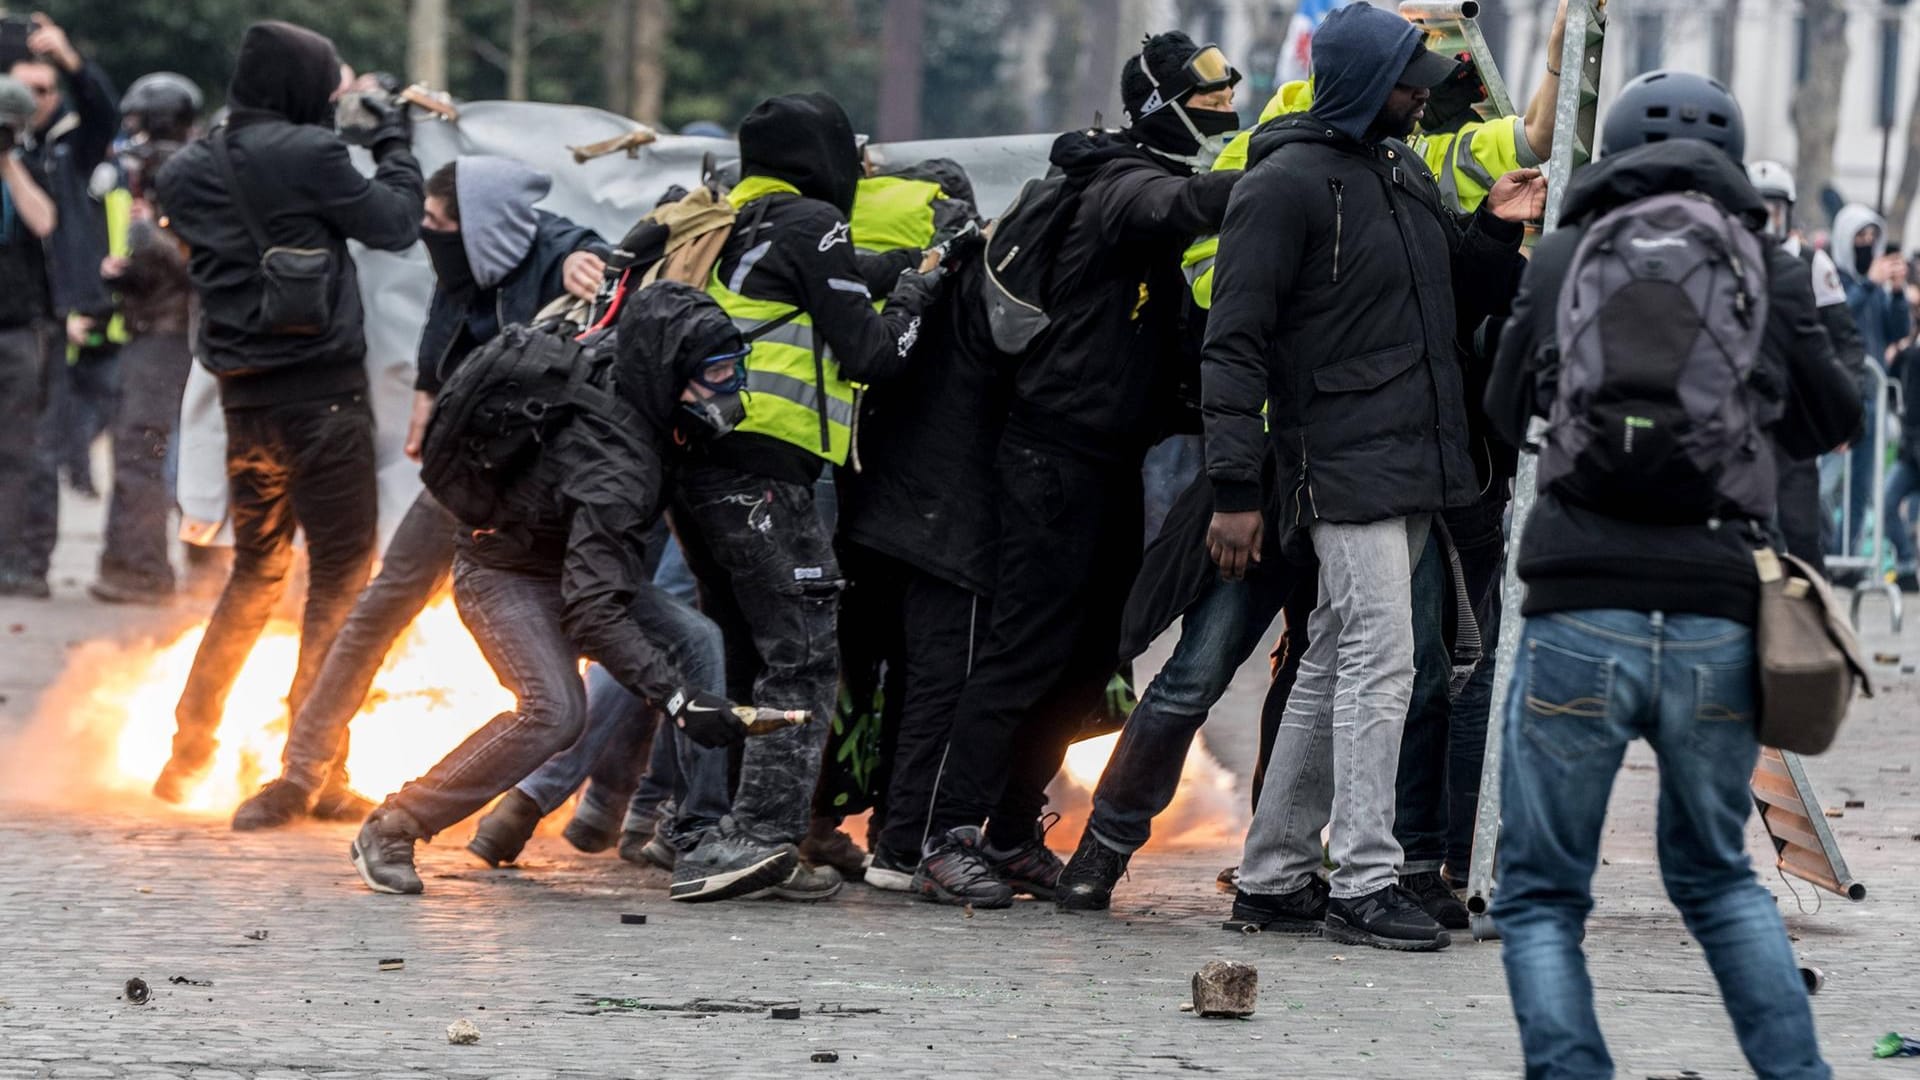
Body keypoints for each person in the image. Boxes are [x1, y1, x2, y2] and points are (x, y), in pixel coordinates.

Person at [1483, 70, 1857, 1079]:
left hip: (1576, 600)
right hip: (1714, 607)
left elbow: (1500, 401)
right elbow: (1835, 418)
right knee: (1718, 879)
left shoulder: (1564, 252)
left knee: (1542, 894)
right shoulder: (1766, 263)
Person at [1200, 2, 1538, 951]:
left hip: (1414, 463)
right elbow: (1231, 348)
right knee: (1381, 667)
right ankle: (1364, 881)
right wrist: (1234, 490)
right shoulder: (1281, 186)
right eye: (1408, 85)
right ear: (1359, 86)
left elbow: (1449, 291)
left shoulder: (1395, 172)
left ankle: (1272, 878)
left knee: (1336, 661)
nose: (1422, 102)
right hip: (1342, 465)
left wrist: (1493, 228)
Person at [909, 32, 1242, 908]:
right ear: (1161, 108)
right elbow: (1183, 208)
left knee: (1091, 658)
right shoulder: (1121, 185)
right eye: (1206, 103)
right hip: (1050, 458)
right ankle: (947, 836)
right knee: (1025, 650)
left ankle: (1015, 832)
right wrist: (1294, 168)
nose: (1221, 115)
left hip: (1106, 461)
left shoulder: (1138, 184)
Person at [350, 283, 788, 896]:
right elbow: (591, 612)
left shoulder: (634, 374)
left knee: (697, 638)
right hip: (503, 573)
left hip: (572, 564)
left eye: (734, 368)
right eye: (716, 372)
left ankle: (699, 835)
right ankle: (394, 825)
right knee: (555, 710)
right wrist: (678, 701)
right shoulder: (617, 463)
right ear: (671, 371)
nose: (730, 388)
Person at [229, 155, 610, 830]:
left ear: (483, 224)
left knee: (560, 650)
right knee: (378, 608)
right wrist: (426, 404)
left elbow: (594, 264)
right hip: (462, 478)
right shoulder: (465, 269)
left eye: (439, 221)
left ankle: (548, 803)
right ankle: (302, 772)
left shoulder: (558, 252)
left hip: (536, 498)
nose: (427, 233)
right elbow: (440, 347)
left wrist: (593, 264)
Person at [665, 91, 947, 902]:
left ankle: (699, 826)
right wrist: (921, 295)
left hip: (699, 475)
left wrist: (905, 267)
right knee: (804, 658)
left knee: (742, 655)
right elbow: (870, 353)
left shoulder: (718, 222)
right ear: (818, 158)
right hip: (766, 477)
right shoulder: (810, 223)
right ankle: (757, 841)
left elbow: (830, 288)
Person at [150, 21, 423, 803]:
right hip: (324, 397)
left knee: (256, 570)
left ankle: (188, 751)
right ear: (302, 86)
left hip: (243, 401)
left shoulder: (186, 168)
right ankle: (316, 764)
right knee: (341, 575)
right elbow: (395, 223)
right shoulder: (312, 155)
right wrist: (396, 143)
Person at [10, 12, 115, 594]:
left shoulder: (67, 151)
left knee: (39, 447)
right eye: (22, 91)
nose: (35, 101)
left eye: (45, 90)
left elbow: (104, 113)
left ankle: (28, 566)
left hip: (44, 318)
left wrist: (70, 59)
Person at [89, 123, 195, 605]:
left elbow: (189, 268)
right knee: (134, 452)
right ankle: (125, 563)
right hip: (148, 340)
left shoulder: (181, 209)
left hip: (165, 342)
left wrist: (150, 234)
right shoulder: (155, 213)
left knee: (144, 453)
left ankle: (146, 569)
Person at [1746, 159, 1865, 578]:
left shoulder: (1813, 264)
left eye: (1774, 211)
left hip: (1794, 417)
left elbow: (1846, 340)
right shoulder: (1728, 257)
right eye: (1757, 210)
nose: (1766, 222)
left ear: (1789, 213)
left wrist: (1843, 407)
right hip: (1738, 415)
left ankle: (1808, 617)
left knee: (1801, 530)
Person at [0, 74, 59, 597]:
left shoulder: (29, 170)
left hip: (17, 330)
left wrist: (9, 165)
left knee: (17, 450)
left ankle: (9, 555)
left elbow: (43, 222)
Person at [1829, 201, 1908, 560]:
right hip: (1838, 397)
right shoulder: (1835, 279)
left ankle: (1847, 554)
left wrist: (1895, 292)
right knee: (1827, 484)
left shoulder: (1876, 289)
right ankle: (1823, 552)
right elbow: (1838, 316)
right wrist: (1868, 285)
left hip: (1872, 400)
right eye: (1859, 237)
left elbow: (1898, 331)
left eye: (1871, 238)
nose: (1866, 244)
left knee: (1859, 488)